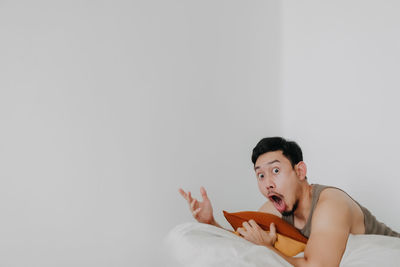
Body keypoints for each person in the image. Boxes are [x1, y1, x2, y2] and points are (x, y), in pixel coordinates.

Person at [179, 136, 400, 267]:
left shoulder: (330, 205)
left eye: (275, 170)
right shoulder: (275, 208)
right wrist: (211, 223)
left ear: (300, 170)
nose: (268, 183)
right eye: (261, 175)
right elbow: (245, 242)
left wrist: (267, 249)